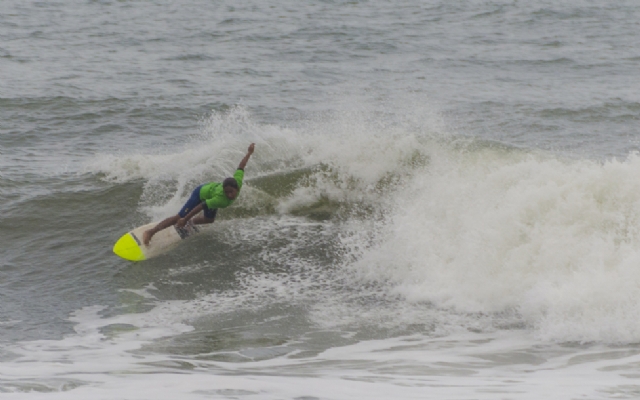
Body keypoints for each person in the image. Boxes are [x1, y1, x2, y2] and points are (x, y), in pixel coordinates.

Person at [143, 143, 255, 246]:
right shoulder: (221, 199)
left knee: (209, 219)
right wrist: (185, 219)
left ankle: (189, 224)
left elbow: (241, 166)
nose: (229, 195)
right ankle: (150, 232)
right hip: (201, 193)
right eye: (226, 192)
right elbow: (200, 206)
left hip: (211, 192)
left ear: (237, 188)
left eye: (231, 192)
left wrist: (249, 153)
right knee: (179, 217)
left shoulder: (238, 180)